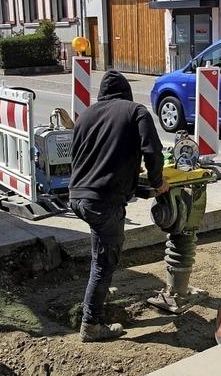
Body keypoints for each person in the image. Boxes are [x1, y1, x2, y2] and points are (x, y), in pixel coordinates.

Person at [69, 70, 169, 342]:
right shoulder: (136, 111)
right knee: (104, 263)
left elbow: (90, 155)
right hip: (104, 201)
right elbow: (153, 151)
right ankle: (91, 324)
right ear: (127, 92)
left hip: (79, 196)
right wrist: (158, 182)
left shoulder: (87, 115)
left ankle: (95, 305)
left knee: (99, 254)